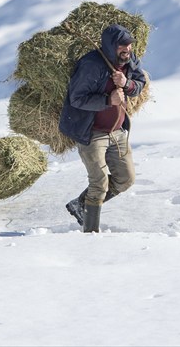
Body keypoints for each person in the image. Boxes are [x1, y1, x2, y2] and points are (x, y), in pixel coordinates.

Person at [58, 23, 147, 232]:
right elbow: (76, 99)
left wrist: (127, 84)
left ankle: (80, 205)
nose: (127, 49)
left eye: (129, 45)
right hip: (93, 133)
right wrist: (108, 100)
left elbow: (140, 82)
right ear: (110, 46)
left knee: (126, 179)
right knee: (98, 184)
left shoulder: (129, 61)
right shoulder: (91, 65)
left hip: (118, 131)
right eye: (122, 46)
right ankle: (91, 236)